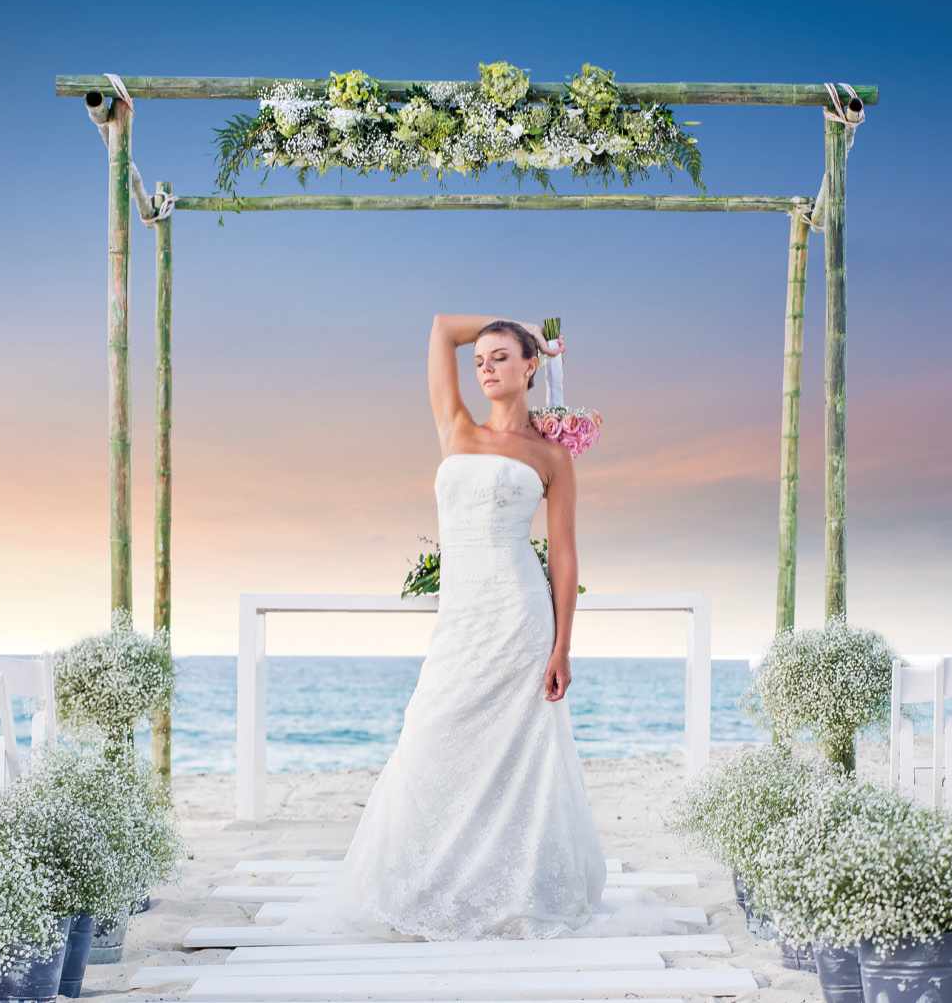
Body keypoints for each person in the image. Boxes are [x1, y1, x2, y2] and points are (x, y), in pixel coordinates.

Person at [272, 314, 675, 941]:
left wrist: (563, 644)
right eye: (481, 360)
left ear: (529, 368)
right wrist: (515, 324)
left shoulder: (551, 456)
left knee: (519, 756)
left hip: (520, 617)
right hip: (462, 621)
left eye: (500, 358)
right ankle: (430, 884)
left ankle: (515, 888)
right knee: (432, 736)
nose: (485, 368)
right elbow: (439, 330)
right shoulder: (455, 426)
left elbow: (564, 552)